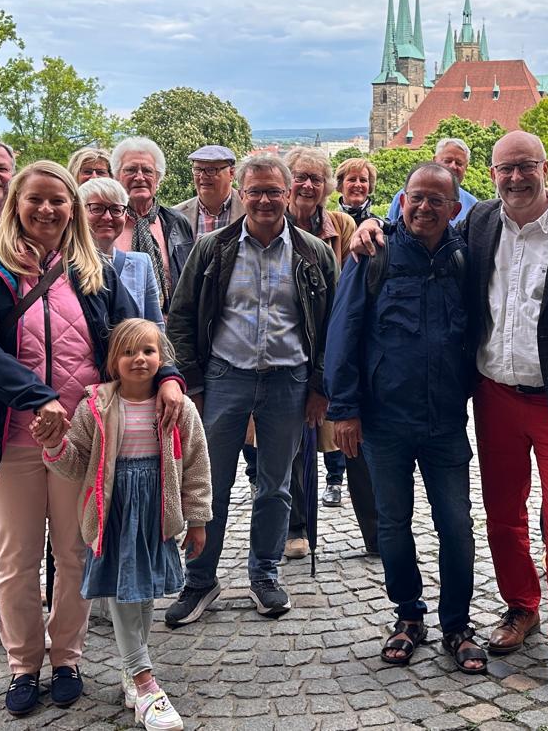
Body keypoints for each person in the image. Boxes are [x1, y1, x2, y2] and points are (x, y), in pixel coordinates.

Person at [351, 130, 548, 694]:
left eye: (525, 166)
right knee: (503, 514)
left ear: (544, 168)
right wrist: (368, 225)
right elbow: (415, 225)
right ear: (492, 176)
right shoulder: (475, 226)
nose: (515, 178)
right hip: (494, 395)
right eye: (505, 169)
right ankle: (521, 606)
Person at [0, 160, 187, 717]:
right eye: (36, 199)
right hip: (10, 436)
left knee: (75, 552)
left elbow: (139, 338)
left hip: (82, 439)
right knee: (16, 556)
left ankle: (68, 658)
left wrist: (170, 378)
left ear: (72, 209)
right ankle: (23, 665)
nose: (48, 209)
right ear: (16, 204)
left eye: (59, 200)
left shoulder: (93, 270)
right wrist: (35, 395)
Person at [163, 154, 338, 626]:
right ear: (242, 194)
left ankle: (264, 573)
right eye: (255, 191)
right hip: (226, 377)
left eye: (273, 191)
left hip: (289, 380)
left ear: (288, 195)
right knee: (209, 484)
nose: (264, 200)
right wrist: (193, 381)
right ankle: (200, 579)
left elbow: (329, 326)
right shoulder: (212, 248)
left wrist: (321, 386)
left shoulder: (313, 252)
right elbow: (181, 317)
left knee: (276, 487)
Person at [325, 162, 485, 674]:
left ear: (454, 208)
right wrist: (344, 410)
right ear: (402, 199)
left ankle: (457, 623)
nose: (424, 207)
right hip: (384, 421)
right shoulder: (373, 252)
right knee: (393, 525)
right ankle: (408, 616)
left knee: (456, 524)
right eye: (416, 197)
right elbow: (343, 333)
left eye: (437, 200)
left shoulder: (465, 258)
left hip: (444, 421)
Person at [43, 319, 211, 731]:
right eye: (129, 352)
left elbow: (195, 465)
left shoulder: (178, 407)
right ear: (113, 361)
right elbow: (76, 461)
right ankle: (143, 678)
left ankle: (132, 669)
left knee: (145, 590)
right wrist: (52, 445)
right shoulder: (95, 407)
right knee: (123, 588)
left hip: (155, 511)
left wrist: (198, 518)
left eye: (149, 351)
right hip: (114, 510)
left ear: (161, 357)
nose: (140, 359)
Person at [282, 147, 377, 558]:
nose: (307, 186)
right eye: (300, 177)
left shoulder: (339, 225)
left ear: (326, 189)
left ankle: (377, 533)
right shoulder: (271, 225)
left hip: (337, 351)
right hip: (287, 354)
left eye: (315, 180)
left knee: (353, 442)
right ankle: (294, 529)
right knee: (290, 447)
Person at [112, 137, 196, 310]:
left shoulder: (177, 223)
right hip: (120, 330)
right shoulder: (106, 223)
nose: (140, 177)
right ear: (116, 177)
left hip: (170, 329)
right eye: (130, 170)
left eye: (148, 171)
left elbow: (189, 283)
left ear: (158, 179)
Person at [81, 177, 164, 330]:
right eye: (97, 208)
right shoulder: (66, 266)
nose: (107, 217)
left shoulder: (141, 264)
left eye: (116, 209)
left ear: (125, 217)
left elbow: (155, 328)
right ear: (78, 213)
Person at [385, 137, 477, 226]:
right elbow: (389, 228)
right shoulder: (407, 195)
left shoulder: (473, 205)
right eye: (447, 161)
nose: (453, 166)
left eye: (459, 163)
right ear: (434, 161)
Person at [175, 144, 244, 236]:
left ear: (231, 173)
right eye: (197, 170)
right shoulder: (176, 216)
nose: (202, 176)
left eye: (211, 170)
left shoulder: (250, 209)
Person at [334, 157, 377, 226]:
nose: (358, 185)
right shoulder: (328, 224)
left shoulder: (381, 227)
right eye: (352, 179)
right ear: (340, 185)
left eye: (363, 180)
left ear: (369, 186)